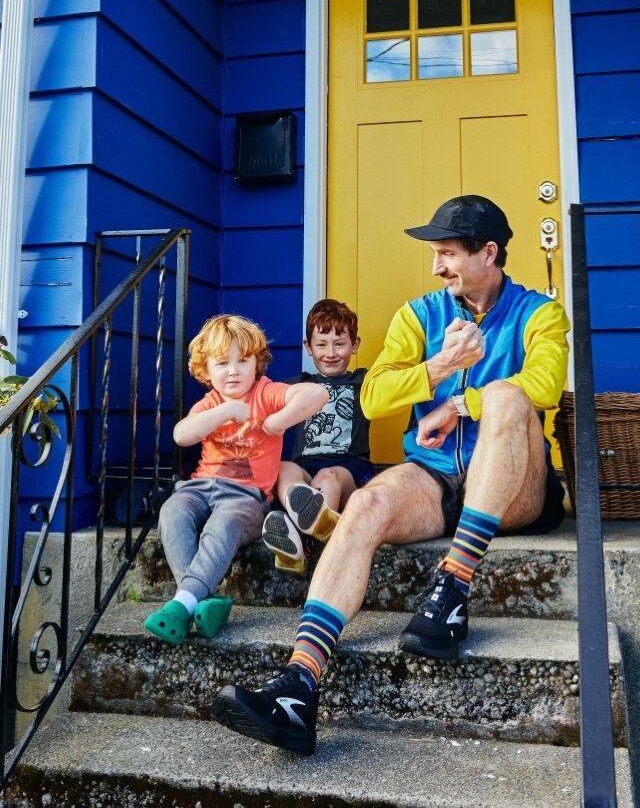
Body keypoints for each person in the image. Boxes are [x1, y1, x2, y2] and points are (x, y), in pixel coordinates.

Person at [211, 194, 570, 756]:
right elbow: (373, 398)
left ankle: (453, 586)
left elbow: (545, 385)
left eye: (448, 253)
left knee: (505, 395)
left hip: (514, 488)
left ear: (488, 253)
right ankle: (299, 685)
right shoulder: (418, 315)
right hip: (435, 479)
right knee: (365, 504)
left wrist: (460, 403)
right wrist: (441, 366)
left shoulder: (540, 313)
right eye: (435, 254)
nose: (437, 266)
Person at [144, 314, 327, 645]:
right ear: (206, 369)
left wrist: (278, 422)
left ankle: (183, 603)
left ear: (257, 363)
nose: (233, 370)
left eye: (242, 360)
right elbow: (182, 435)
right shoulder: (212, 403)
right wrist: (226, 411)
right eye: (222, 363)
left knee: (223, 525)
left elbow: (316, 394)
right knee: (171, 511)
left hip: (246, 497)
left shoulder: (265, 393)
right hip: (198, 489)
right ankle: (197, 601)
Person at [261, 298, 374, 576]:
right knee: (283, 468)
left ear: (355, 344)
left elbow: (399, 381)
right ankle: (296, 535)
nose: (330, 353)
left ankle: (301, 542)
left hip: (348, 471)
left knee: (327, 477)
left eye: (340, 344)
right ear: (308, 347)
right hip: (304, 469)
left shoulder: (364, 382)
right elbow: (259, 397)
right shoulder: (298, 386)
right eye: (321, 345)